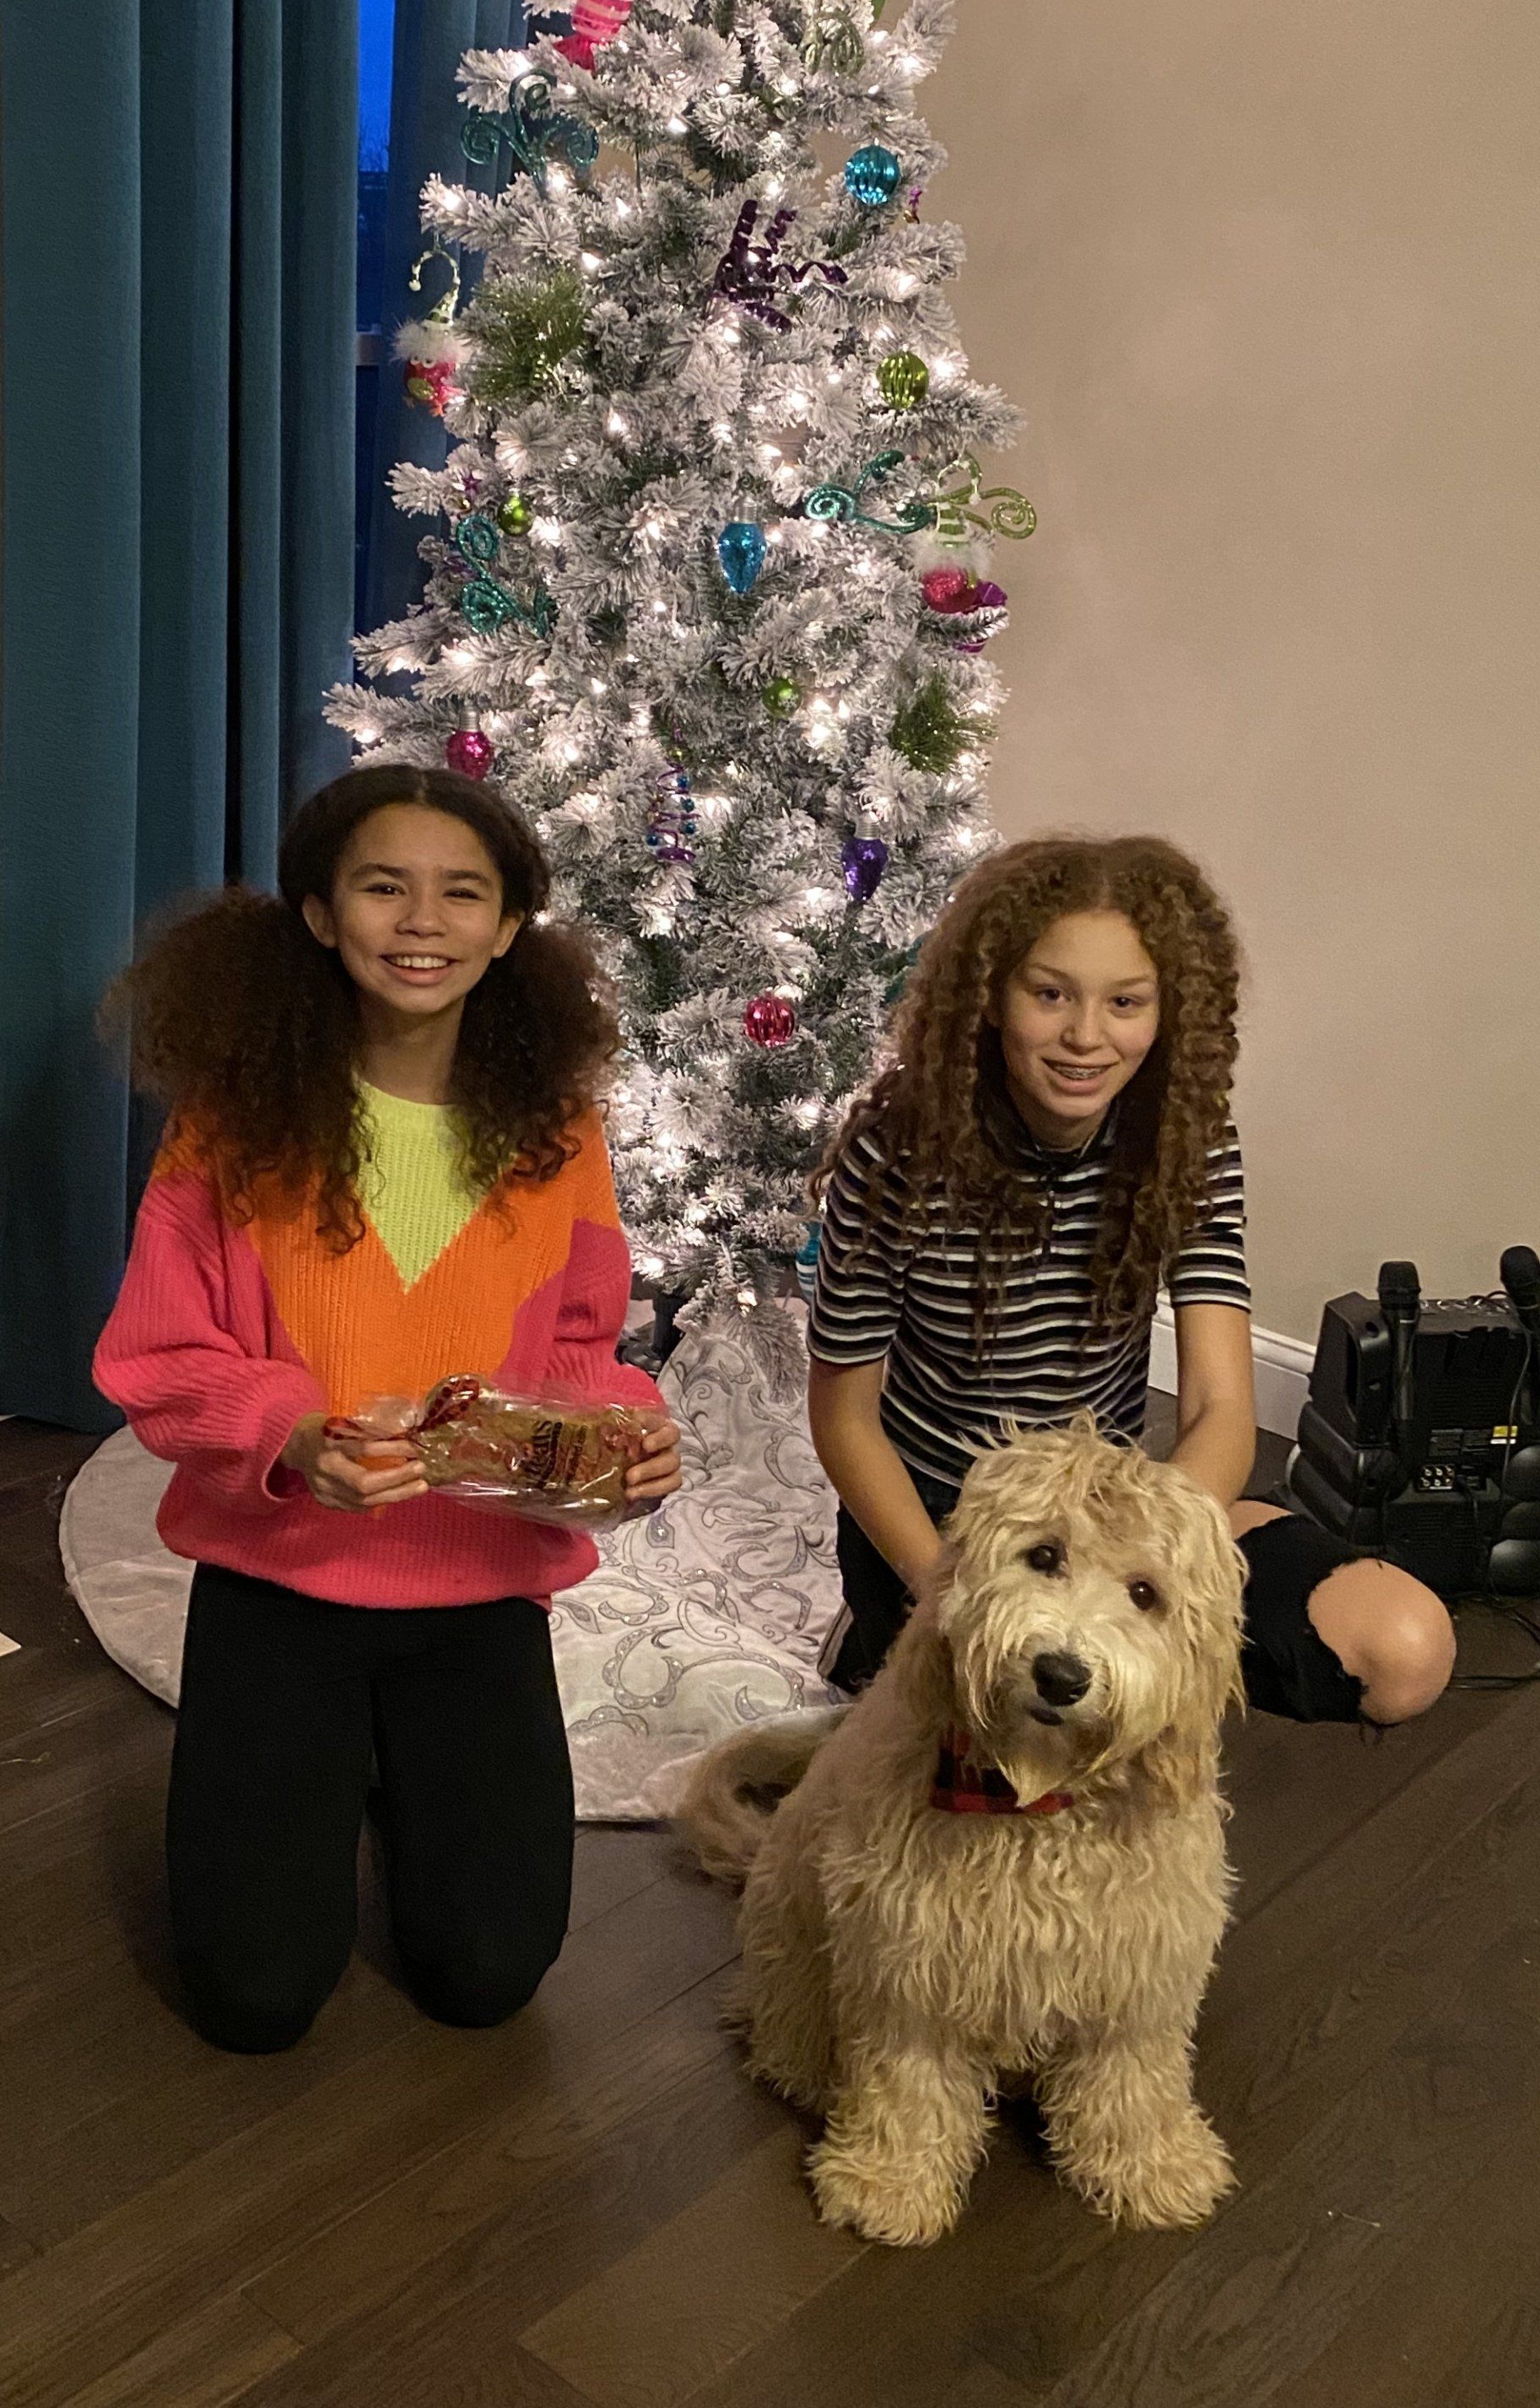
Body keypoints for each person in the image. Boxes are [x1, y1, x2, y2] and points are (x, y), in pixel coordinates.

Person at [95, 764, 682, 2054]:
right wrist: (293, 1433)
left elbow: (585, 1347)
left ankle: (388, 1772)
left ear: (511, 924)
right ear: (318, 913)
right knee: (251, 2000)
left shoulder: (558, 1127)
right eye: (383, 886)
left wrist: (626, 1435)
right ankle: (333, 1769)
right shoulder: (235, 1120)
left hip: (478, 1586)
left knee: (488, 1975)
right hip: (280, 1580)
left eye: (462, 892)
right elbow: (157, 1352)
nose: (423, 921)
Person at [808, 834, 1456, 1727]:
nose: (1085, 1036)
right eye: (1050, 994)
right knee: (986, 1777)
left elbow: (1218, 1410)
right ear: (993, 996)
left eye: (1125, 1002)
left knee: (1403, 1651)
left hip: (1113, 1507)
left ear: (1166, 1011)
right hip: (951, 1516)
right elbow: (845, 1418)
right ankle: (873, 1639)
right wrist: (943, 1590)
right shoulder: (895, 1153)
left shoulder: (1190, 1140)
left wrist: (1140, 1566)